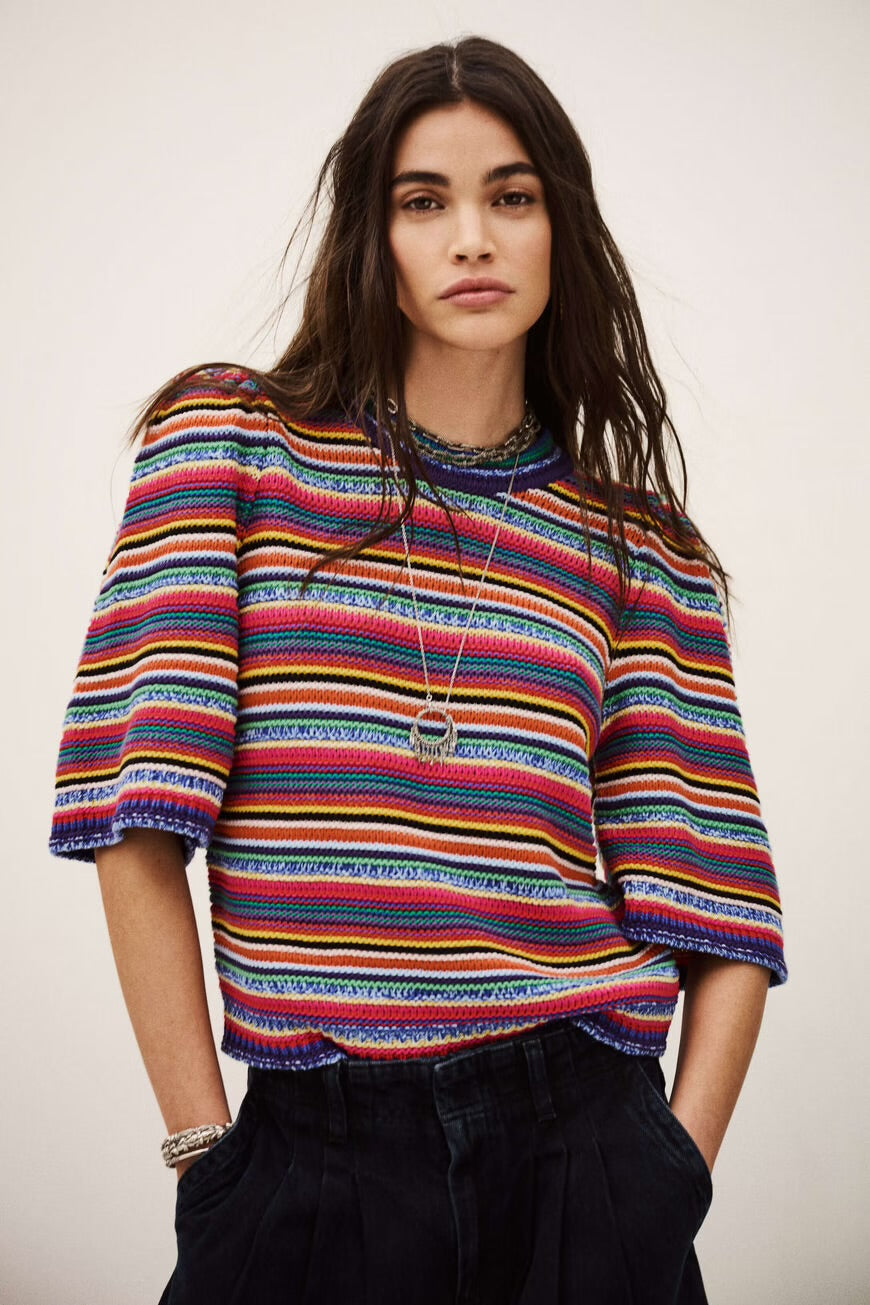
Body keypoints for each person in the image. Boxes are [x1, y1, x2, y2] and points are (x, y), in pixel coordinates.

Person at [48, 34, 786, 1305]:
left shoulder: (641, 549)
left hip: (582, 1146)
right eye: (424, 201)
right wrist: (203, 1152)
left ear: (562, 228)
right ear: (370, 237)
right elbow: (137, 818)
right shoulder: (229, 447)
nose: (473, 240)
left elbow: (722, 908)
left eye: (512, 196)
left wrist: (669, 1177)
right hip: (312, 1153)